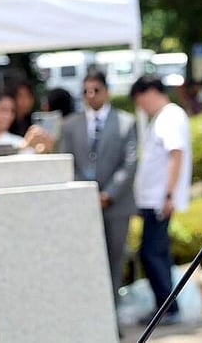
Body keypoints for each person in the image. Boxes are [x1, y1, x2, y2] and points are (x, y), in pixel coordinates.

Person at [57, 70, 137, 322]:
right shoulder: (71, 125)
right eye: (85, 91)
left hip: (116, 205)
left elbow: (131, 163)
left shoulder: (126, 122)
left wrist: (108, 194)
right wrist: (86, 192)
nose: (90, 96)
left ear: (107, 91)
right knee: (85, 261)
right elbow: (66, 162)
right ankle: (89, 318)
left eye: (96, 90)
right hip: (83, 204)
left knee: (114, 260)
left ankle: (111, 319)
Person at [130, 74, 192, 325]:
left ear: (151, 92)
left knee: (152, 253)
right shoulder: (163, 117)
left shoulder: (170, 116)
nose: (140, 106)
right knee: (156, 253)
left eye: (140, 100)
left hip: (159, 200)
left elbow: (175, 155)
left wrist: (168, 194)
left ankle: (168, 308)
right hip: (153, 200)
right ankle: (165, 306)